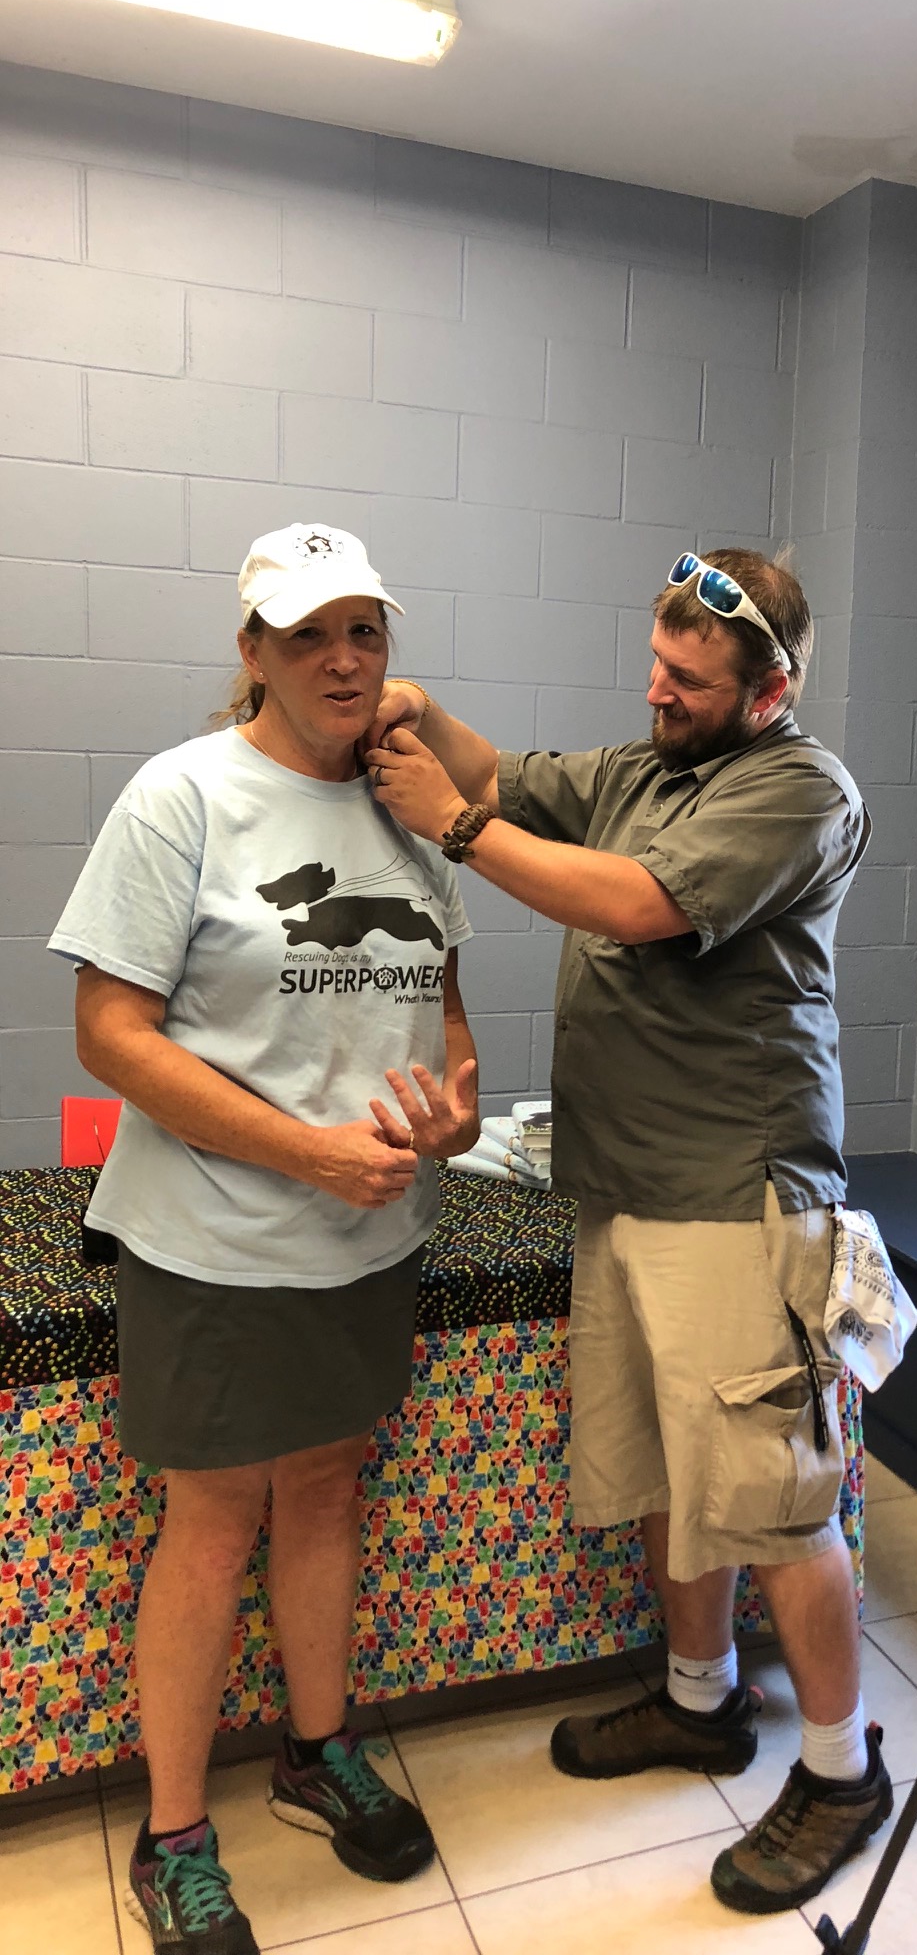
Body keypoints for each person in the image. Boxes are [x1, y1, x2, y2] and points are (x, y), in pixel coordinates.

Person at [362, 547, 889, 1913]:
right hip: (628, 1186)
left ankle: (842, 1774)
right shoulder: (646, 768)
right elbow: (502, 774)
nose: (659, 693)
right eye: (655, 665)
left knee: (774, 1499)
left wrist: (453, 830)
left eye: (690, 681)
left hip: (736, 1197)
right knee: (671, 1474)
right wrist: (418, 712)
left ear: (769, 690)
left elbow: (637, 905)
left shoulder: (799, 789)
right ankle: (700, 1702)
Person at [49, 525, 481, 1955]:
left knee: (330, 1489)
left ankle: (316, 1747)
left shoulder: (411, 806)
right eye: (308, 635)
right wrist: (306, 1152)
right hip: (219, 1240)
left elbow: (445, 1012)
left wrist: (454, 1115)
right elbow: (109, 1033)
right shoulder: (183, 796)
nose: (344, 661)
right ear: (253, 652)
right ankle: (173, 1834)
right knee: (215, 1515)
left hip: (372, 1237)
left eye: (365, 630)